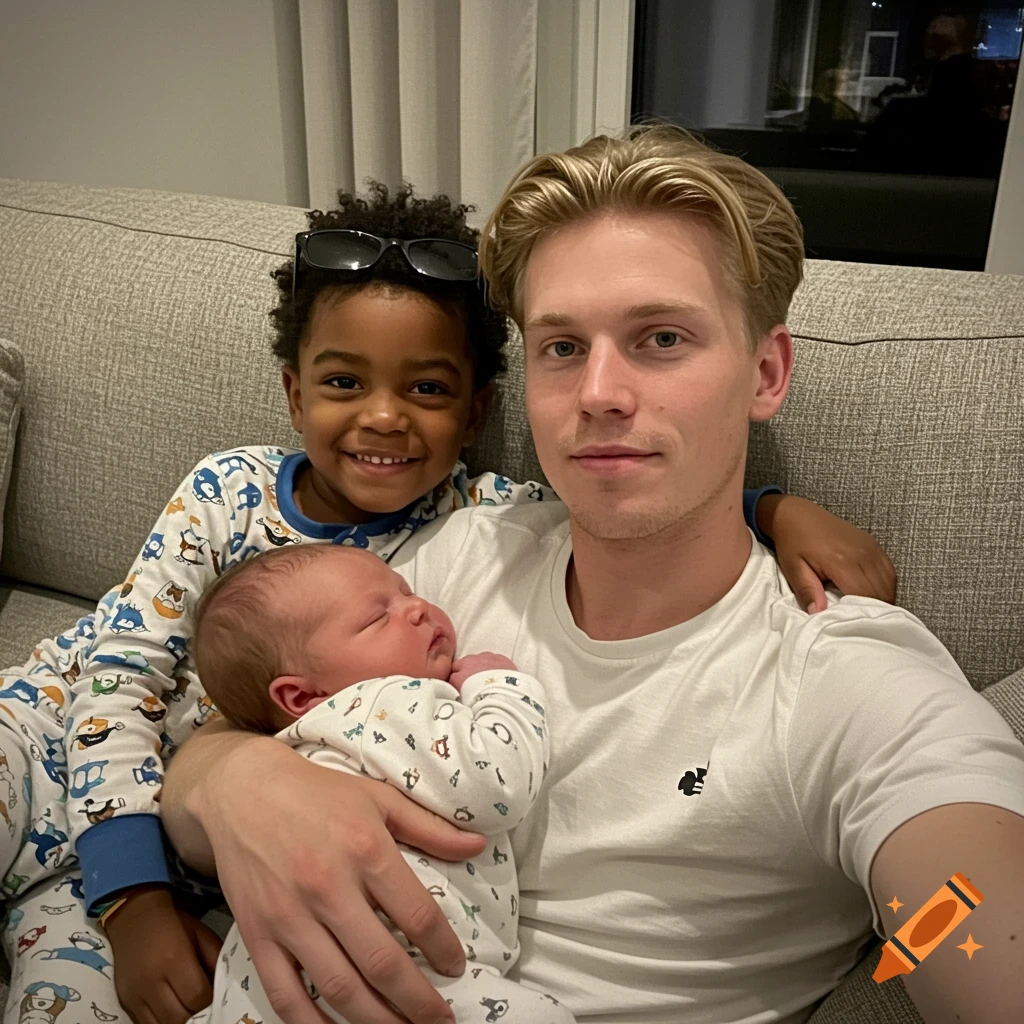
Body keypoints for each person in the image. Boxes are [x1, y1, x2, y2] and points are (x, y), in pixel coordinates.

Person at [162, 126, 1024, 1024]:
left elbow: (977, 919)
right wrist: (235, 786)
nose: (600, 393)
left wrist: (920, 948)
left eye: (660, 338)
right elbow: (225, 734)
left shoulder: (840, 670)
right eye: (563, 347)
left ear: (766, 372)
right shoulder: (459, 558)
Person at [0, 179, 891, 1024]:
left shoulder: (481, 519)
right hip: (53, 744)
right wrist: (131, 897)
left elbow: (624, 503)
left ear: (475, 411)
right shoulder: (227, 490)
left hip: (214, 864)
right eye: (345, 382)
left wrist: (771, 508)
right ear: (293, 392)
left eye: (426, 389)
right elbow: (117, 679)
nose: (385, 418)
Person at [189, 542, 575, 1024]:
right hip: (403, 969)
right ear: (305, 694)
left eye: (407, 593)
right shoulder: (384, 704)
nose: (415, 608)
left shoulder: (306, 742)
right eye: (378, 619)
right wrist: (500, 686)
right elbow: (497, 787)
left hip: (262, 980)